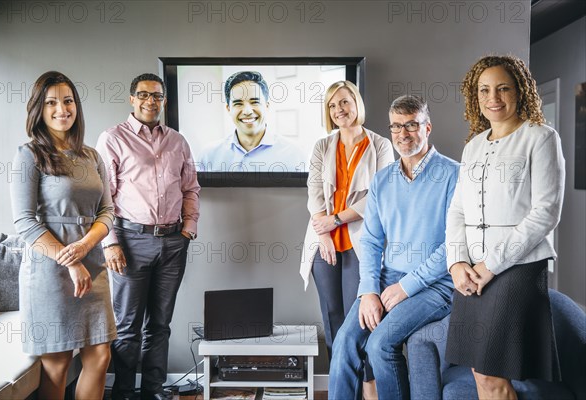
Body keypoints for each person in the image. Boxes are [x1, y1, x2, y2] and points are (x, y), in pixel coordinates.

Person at [445, 55, 565, 400]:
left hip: (517, 269)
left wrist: (490, 265)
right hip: (470, 271)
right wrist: (456, 263)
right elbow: (457, 209)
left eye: (502, 88)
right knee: (480, 373)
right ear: (475, 96)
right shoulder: (473, 147)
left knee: (491, 373)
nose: (493, 97)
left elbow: (546, 212)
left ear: (520, 92)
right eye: (484, 90)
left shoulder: (541, 138)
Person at [328, 95, 459, 400]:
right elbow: (372, 241)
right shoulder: (382, 180)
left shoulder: (454, 174)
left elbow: (454, 245)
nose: (403, 133)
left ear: (427, 127)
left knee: (380, 344)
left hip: (437, 285)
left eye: (411, 125)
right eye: (396, 127)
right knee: (345, 340)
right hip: (389, 277)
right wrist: (369, 291)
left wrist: (406, 287)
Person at [10, 71, 116, 399]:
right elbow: (25, 222)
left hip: (92, 265)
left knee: (100, 356)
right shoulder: (28, 155)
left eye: (68, 101)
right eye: (51, 102)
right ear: (39, 110)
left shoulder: (92, 156)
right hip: (49, 273)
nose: (62, 109)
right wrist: (70, 260)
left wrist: (85, 246)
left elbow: (107, 212)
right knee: (56, 365)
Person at [96, 73, 200, 400]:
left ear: (164, 100)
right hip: (129, 241)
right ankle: (124, 393)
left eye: (156, 96)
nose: (150, 101)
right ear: (132, 99)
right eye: (143, 95)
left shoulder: (177, 141)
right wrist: (110, 242)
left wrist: (188, 227)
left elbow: (190, 188)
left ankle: (153, 391)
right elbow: (102, 197)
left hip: (172, 242)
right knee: (127, 328)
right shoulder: (113, 139)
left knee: (160, 325)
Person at [299, 80, 394, 396]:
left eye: (344, 102)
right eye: (332, 105)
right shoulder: (322, 146)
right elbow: (313, 192)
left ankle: (369, 384)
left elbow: (381, 195)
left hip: (360, 243)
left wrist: (336, 220)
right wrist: (322, 232)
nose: (339, 109)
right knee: (333, 319)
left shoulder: (379, 145)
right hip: (324, 242)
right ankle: (345, 389)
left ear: (357, 103)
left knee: (362, 319)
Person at [197, 71, 307, 172]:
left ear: (267, 106)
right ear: (228, 109)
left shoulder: (295, 155)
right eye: (238, 103)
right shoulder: (208, 156)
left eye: (255, 102)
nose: (247, 111)